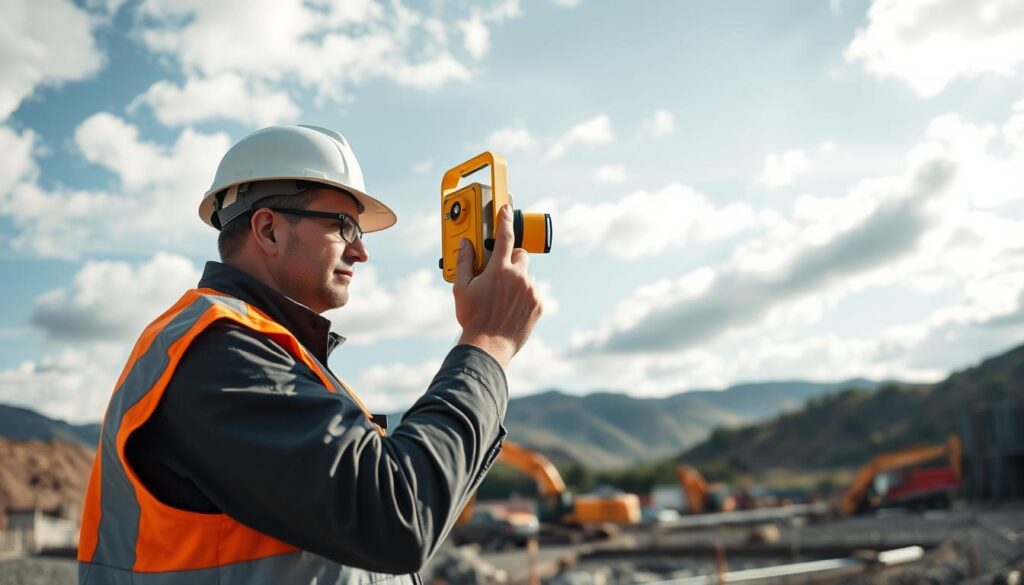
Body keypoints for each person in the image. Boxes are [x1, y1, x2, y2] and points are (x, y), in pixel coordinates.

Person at [77, 125, 543, 584]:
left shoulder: (268, 352)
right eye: (344, 226)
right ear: (268, 230)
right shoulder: (218, 353)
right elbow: (396, 516)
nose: (360, 252)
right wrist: (487, 343)